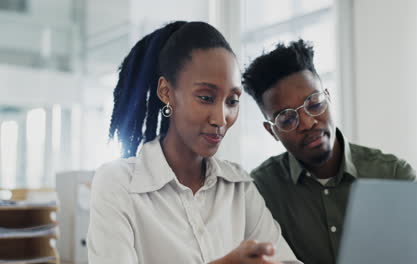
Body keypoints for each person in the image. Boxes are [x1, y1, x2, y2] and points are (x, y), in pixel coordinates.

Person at [87, 21, 301, 264]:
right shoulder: (118, 185)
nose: (221, 119)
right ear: (166, 93)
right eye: (206, 97)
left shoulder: (238, 186)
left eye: (232, 101)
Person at [242, 39, 417, 264]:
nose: (307, 123)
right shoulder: (259, 192)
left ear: (328, 97)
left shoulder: (395, 176)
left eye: (314, 104)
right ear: (272, 131)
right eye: (287, 118)